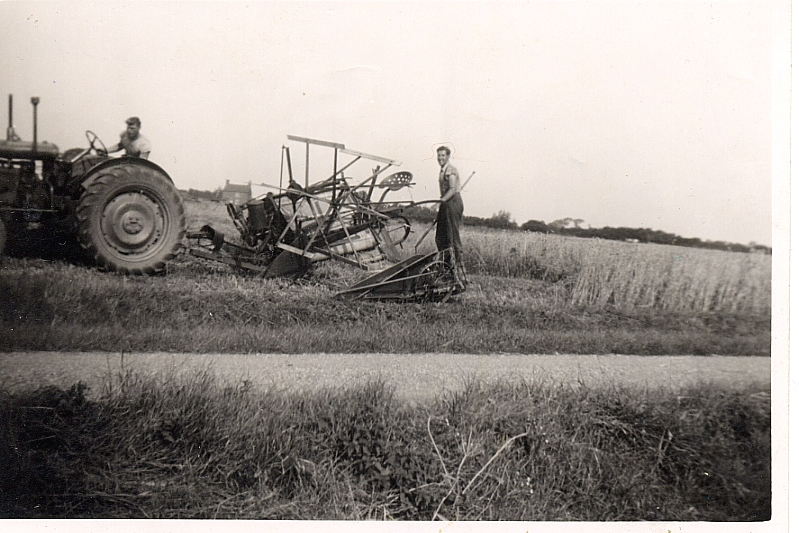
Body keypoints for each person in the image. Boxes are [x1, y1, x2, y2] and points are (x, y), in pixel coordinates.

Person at [434, 145, 465, 282]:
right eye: (439, 155)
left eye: (443, 155)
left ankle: (460, 272)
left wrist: (438, 203)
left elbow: (452, 189)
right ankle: (446, 269)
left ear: (448, 156)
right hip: (445, 203)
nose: (440, 158)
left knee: (452, 237)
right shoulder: (442, 170)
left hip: (452, 203)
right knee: (440, 237)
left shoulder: (450, 170)